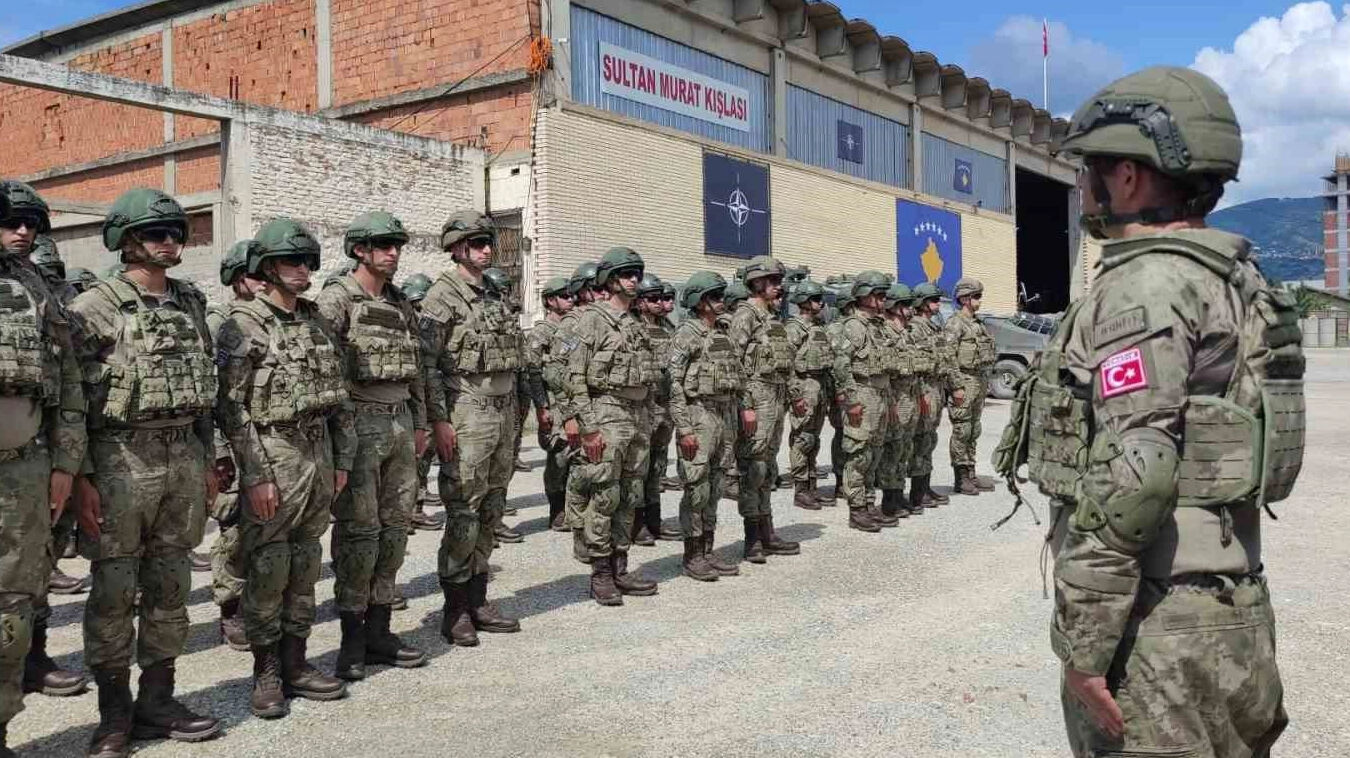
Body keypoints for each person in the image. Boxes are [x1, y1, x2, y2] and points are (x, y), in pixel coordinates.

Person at [994, 66, 1299, 757]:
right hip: (1232, 605)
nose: (1082, 189)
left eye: (1089, 171)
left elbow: (1138, 471)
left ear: (1127, 176)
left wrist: (1086, 646)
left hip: (1159, 620)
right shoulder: (1241, 279)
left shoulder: (1147, 286)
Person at [70, 188, 221, 755]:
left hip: (182, 454)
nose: (169, 242)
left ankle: (159, 699)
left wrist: (208, 456)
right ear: (127, 239)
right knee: (112, 588)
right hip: (118, 459)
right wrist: (81, 474)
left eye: (176, 232)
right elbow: (72, 399)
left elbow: (208, 389)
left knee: (171, 584)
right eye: (157, 233)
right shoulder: (95, 307)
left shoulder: (191, 302)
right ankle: (114, 713)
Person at [216, 218, 355, 718]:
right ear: (265, 268)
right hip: (273, 453)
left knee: (304, 565)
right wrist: (253, 474)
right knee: (269, 566)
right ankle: (266, 670)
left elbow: (341, 401)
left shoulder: (317, 322)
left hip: (318, 454)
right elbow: (231, 408)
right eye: (290, 262)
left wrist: (343, 460)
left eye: (306, 261)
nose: (302, 269)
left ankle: (297, 661)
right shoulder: (243, 324)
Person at [316, 212, 428, 681]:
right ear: (359, 250)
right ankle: (352, 639)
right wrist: (339, 442)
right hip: (359, 425)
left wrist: (421, 422)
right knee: (359, 533)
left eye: (396, 245)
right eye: (383, 245)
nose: (393, 252)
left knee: (395, 528)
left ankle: (381, 630)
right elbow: (322, 373)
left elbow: (418, 368)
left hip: (401, 422)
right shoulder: (337, 300)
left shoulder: (401, 304)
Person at [0, 182, 88, 756]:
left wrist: (65, 463)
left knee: (13, 602)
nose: (24, 230)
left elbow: (69, 382)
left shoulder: (37, 289)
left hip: (23, 470)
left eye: (33, 222)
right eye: (11, 220)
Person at [420, 211, 522, 645]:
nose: (486, 249)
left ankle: (479, 597)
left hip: (503, 409)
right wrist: (439, 420)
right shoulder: (442, 297)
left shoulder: (495, 294)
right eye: (477, 243)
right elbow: (427, 365)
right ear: (457, 248)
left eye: (488, 242)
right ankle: (455, 608)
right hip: (468, 409)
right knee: (464, 509)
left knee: (492, 507)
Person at [561, 247, 661, 605]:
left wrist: (648, 418)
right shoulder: (591, 320)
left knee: (630, 495)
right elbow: (572, 376)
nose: (633, 279)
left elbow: (649, 377)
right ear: (610, 280)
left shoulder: (637, 324)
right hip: (606, 411)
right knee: (604, 494)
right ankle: (600, 572)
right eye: (626, 274)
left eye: (636, 273)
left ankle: (620, 565)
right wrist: (586, 426)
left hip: (636, 415)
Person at [205, 240, 265, 653]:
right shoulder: (218, 323)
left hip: (262, 438)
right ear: (237, 278)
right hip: (227, 438)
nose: (264, 282)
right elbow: (209, 395)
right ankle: (231, 609)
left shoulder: (269, 320)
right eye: (256, 274)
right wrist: (218, 451)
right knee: (234, 528)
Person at [668, 271, 743, 582]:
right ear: (699, 302)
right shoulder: (686, 335)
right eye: (714, 297)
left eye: (721, 296)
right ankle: (692, 553)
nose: (721, 301)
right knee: (696, 486)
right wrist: (684, 428)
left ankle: (708, 549)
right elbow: (673, 384)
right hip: (698, 414)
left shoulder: (723, 332)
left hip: (724, 413)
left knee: (715, 484)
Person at [727, 256, 800, 562]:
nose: (777, 286)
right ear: (756, 283)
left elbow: (786, 360)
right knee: (752, 468)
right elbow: (733, 363)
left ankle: (767, 529)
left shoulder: (772, 317)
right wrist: (745, 405)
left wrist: (794, 394)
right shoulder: (745, 316)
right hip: (756, 398)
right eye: (771, 280)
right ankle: (752, 537)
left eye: (778, 280)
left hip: (775, 396)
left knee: (767, 467)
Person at [830, 271, 894, 533]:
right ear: (864, 296)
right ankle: (856, 510)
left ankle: (869, 504)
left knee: (874, 454)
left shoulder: (877, 326)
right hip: (862, 394)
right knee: (858, 454)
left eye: (883, 295)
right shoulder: (853, 326)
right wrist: (850, 400)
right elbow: (841, 366)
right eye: (878, 295)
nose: (882, 300)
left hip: (879, 394)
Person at [550, 263, 601, 536]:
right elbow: (554, 370)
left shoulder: (603, 319)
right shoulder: (573, 324)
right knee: (578, 467)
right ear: (582, 291)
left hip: (599, 407)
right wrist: (569, 415)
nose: (601, 293)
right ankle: (575, 522)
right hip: (576, 407)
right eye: (595, 288)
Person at [633, 273, 682, 545]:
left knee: (657, 466)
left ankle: (654, 519)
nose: (658, 304)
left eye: (659, 298)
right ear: (640, 302)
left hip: (664, 405)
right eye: (652, 299)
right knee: (639, 466)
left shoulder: (667, 327)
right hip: (643, 404)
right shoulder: (632, 327)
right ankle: (636, 523)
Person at [482, 266, 528, 544]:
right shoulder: (483, 317)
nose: (504, 298)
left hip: (509, 397)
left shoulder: (509, 321)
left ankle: (494, 520)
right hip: (482, 402)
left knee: (503, 465)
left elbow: (519, 361)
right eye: (499, 292)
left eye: (505, 292)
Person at [523, 277, 573, 531]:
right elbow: (532, 373)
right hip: (552, 403)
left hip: (571, 401)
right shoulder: (541, 332)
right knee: (558, 456)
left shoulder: (572, 328)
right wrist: (541, 407)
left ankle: (572, 508)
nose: (570, 299)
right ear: (551, 301)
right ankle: (556, 510)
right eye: (564, 295)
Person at [943, 277, 996, 496]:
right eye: (976, 296)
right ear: (964, 299)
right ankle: (961, 476)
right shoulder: (955, 324)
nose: (979, 300)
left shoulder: (977, 323)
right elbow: (947, 357)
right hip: (964, 380)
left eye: (979, 296)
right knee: (962, 430)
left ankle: (971, 471)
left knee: (974, 429)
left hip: (979, 380)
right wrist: (955, 386)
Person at [400, 273, 445, 533]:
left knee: (424, 455)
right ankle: (410, 510)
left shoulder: (422, 324)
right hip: (408, 402)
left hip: (424, 398)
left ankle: (414, 507)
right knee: (412, 459)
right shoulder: (407, 324)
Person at [784, 280, 832, 511]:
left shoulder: (817, 328)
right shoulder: (794, 328)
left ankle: (812, 484)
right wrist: (795, 396)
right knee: (802, 438)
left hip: (819, 385)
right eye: (815, 299)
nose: (820, 304)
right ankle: (800, 489)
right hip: (804, 386)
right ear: (803, 302)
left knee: (814, 438)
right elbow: (787, 365)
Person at [878, 283, 923, 520]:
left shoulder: (906, 333)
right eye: (905, 305)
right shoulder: (885, 332)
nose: (910, 309)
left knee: (904, 448)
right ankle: (888, 499)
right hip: (895, 396)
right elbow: (884, 371)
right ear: (894, 307)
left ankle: (898, 492)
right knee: (892, 450)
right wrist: (891, 402)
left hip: (911, 395)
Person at [906, 283, 951, 511]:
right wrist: (919, 394)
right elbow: (913, 365)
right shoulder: (914, 328)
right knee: (920, 441)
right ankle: (917, 491)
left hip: (936, 388)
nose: (938, 304)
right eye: (934, 300)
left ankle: (925, 485)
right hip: (923, 389)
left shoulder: (932, 328)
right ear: (922, 302)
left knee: (929, 440)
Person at [717, 280, 750, 503]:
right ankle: (729, 478)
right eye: (740, 303)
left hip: (742, 383)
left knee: (740, 432)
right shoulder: (724, 324)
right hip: (729, 383)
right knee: (728, 434)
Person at [824, 281, 855, 503]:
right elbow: (835, 365)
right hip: (841, 392)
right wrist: (839, 391)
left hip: (858, 391)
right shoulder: (835, 329)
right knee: (843, 434)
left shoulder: (860, 327)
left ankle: (854, 480)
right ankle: (840, 480)